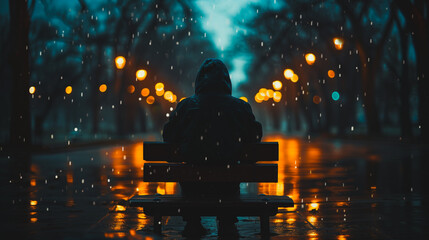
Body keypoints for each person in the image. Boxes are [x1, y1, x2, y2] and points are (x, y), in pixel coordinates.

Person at [162, 58, 263, 237]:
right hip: (227, 185)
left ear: (200, 80)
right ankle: (227, 222)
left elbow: (169, 137)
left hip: (194, 186)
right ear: (226, 81)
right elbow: (254, 138)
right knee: (229, 170)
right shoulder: (239, 107)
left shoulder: (186, 106)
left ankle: (193, 222)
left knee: (190, 169)